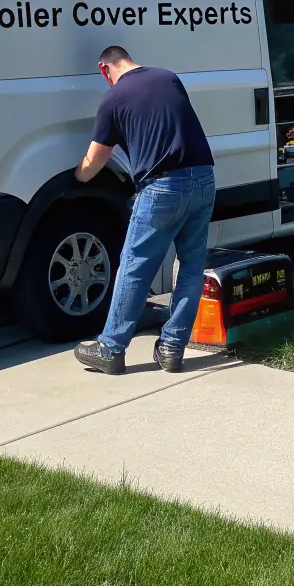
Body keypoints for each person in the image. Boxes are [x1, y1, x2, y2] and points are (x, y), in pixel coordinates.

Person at [73, 45, 216, 376]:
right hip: (203, 178)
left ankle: (111, 348)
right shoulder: (168, 78)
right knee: (191, 267)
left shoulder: (113, 98)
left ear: (104, 69)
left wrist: (76, 178)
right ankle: (172, 348)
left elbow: (94, 161)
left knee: (134, 267)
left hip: (163, 188)